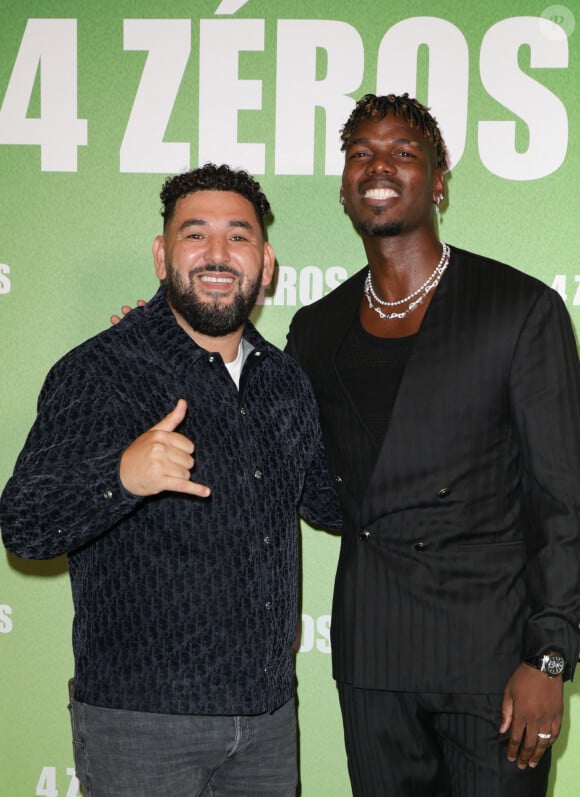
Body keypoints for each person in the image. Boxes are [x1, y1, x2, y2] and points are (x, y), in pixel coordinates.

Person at [0, 163, 341, 797]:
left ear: (266, 264)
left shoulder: (285, 382)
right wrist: (121, 477)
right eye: (195, 235)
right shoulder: (101, 370)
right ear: (163, 255)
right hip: (141, 727)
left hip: (267, 721)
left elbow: (333, 500)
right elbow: (23, 523)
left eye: (238, 236)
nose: (217, 253)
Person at [286, 93, 580, 796]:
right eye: (360, 153)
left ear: (440, 179)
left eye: (402, 152)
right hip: (373, 658)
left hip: (493, 658)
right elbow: (323, 486)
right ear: (343, 186)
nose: (378, 165)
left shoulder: (518, 308)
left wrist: (549, 656)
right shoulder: (316, 330)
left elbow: (562, 499)